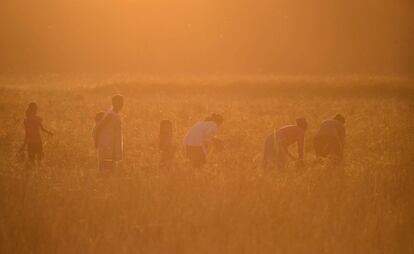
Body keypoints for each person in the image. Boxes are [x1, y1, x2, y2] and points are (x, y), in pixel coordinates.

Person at [95, 95, 124, 171]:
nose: (121, 105)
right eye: (118, 102)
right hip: (107, 146)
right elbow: (98, 127)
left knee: (110, 170)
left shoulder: (115, 114)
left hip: (112, 147)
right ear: (113, 102)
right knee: (105, 170)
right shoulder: (110, 115)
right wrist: (96, 142)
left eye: (122, 102)